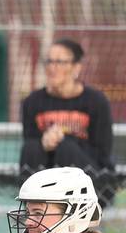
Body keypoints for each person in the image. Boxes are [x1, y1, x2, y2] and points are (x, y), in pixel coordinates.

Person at [19, 38, 116, 207]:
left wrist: (64, 141)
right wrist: (45, 143)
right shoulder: (32, 102)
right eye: (49, 61)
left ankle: (78, 209)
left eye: (60, 62)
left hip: (88, 178)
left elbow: (102, 152)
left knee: (66, 149)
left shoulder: (96, 101)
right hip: (47, 174)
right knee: (32, 147)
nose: (52, 67)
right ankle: (35, 206)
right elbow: (29, 148)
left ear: (76, 67)